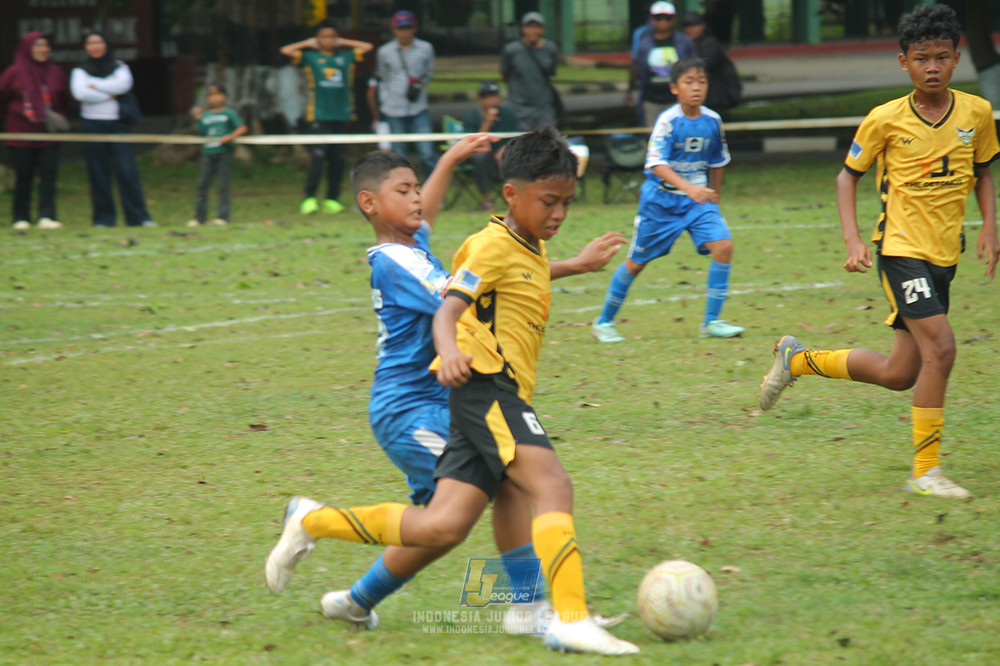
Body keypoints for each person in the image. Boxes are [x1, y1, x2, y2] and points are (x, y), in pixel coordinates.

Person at [265, 129, 638, 655]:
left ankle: (349, 579)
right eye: (404, 191)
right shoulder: (400, 261)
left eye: (418, 188)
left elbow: (475, 256)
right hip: (413, 403)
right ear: (370, 203)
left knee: (448, 523)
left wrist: (447, 161)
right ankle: (552, 613)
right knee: (518, 490)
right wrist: (452, 347)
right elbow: (461, 297)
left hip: (450, 392)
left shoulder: (416, 246)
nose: (417, 198)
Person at [758, 4, 999, 499]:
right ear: (903, 62)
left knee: (900, 373)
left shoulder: (976, 112)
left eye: (941, 57)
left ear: (957, 59)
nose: (932, 67)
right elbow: (847, 178)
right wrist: (852, 239)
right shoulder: (884, 119)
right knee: (942, 349)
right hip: (900, 252)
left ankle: (797, 359)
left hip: (943, 258)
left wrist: (989, 228)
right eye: (921, 58)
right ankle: (925, 471)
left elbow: (983, 173)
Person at [594, 58, 743, 342]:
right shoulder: (668, 121)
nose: (696, 88)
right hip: (661, 203)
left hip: (698, 202)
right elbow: (656, 165)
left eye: (701, 82)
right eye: (689, 82)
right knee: (637, 262)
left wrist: (714, 197)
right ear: (674, 88)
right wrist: (689, 188)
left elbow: (718, 161)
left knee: (724, 246)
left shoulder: (713, 120)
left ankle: (711, 322)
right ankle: (604, 322)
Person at [280, 20, 373, 216]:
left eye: (332, 36)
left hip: (341, 114)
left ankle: (332, 199)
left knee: (338, 159)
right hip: (319, 114)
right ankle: (310, 198)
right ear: (317, 38)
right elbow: (286, 50)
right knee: (318, 157)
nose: (328, 40)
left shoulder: (346, 56)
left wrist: (343, 41)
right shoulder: (310, 57)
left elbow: (368, 47)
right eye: (324, 36)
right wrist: (308, 43)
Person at [70, 31, 155, 228]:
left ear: (106, 44)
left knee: (127, 171)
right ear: (85, 47)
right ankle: (104, 219)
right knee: (98, 173)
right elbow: (80, 93)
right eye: (91, 43)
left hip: (118, 124)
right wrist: (108, 94)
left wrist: (95, 86)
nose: (95, 46)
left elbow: (123, 86)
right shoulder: (80, 71)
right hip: (92, 125)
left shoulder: (119, 67)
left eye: (99, 42)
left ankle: (138, 217)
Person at [0, 31, 68, 230]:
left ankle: (46, 215)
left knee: (49, 175)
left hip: (48, 133)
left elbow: (63, 99)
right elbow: (2, 98)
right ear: (27, 48)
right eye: (37, 45)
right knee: (23, 175)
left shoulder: (55, 71)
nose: (42, 49)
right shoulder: (14, 72)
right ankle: (21, 217)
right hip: (21, 133)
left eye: (45, 45)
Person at [366, 10, 437, 178]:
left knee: (427, 153)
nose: (404, 32)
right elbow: (384, 77)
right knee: (399, 156)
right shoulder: (385, 51)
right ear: (393, 30)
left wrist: (418, 86)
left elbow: (429, 73)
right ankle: (403, 189)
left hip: (418, 106)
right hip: (394, 108)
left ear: (414, 29)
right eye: (400, 28)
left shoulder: (426, 48)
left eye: (407, 28)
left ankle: (432, 188)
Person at [186, 84, 247, 227]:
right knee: (202, 185)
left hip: (224, 153)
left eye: (217, 94)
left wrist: (229, 137)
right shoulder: (206, 115)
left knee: (223, 185)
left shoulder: (229, 113)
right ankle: (200, 218)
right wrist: (198, 119)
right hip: (208, 154)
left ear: (224, 96)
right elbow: (202, 132)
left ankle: (223, 217)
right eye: (211, 95)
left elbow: (242, 127)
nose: (214, 98)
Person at [628, 1, 696, 127]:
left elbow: (693, 70)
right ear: (651, 19)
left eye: (667, 18)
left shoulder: (684, 42)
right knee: (654, 136)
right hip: (651, 99)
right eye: (658, 18)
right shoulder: (644, 43)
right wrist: (631, 90)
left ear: (674, 19)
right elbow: (638, 67)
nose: (663, 21)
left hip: (677, 100)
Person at [460, 81, 520, 211]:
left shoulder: (509, 114)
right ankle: (486, 200)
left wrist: (507, 149)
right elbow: (472, 143)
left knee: (514, 157)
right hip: (480, 155)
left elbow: (517, 138)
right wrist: (487, 122)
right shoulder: (471, 116)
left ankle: (515, 197)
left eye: (493, 96)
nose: (490, 100)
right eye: (486, 97)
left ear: (499, 97)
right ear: (480, 99)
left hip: (503, 156)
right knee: (480, 157)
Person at [501, 12, 561, 131]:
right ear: (523, 29)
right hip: (518, 109)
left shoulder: (551, 49)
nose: (533, 31)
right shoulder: (511, 50)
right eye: (529, 27)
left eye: (537, 27)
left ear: (543, 30)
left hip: (543, 108)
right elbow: (504, 74)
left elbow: (551, 73)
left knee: (546, 140)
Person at [682, 11, 741, 113]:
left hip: (716, 97)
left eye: (694, 25)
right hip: (699, 97)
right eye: (687, 26)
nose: (690, 29)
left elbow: (705, 65)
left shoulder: (710, 44)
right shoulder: (684, 45)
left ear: (703, 26)